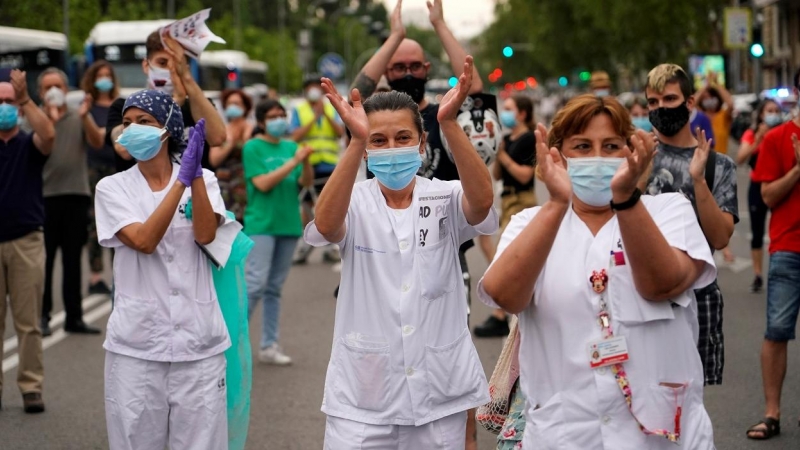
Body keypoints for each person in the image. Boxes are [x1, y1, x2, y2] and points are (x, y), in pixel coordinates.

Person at [480, 94, 717, 449]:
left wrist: (625, 197)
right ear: (558, 155)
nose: (598, 157)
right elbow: (505, 295)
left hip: (661, 435)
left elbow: (662, 284)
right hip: (565, 434)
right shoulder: (529, 223)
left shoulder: (669, 211)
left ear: (630, 151)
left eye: (610, 146)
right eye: (582, 146)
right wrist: (558, 202)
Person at [306, 55, 496, 449]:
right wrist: (356, 139)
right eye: (378, 140)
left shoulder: (445, 196)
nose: (391, 148)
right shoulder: (353, 202)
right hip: (363, 398)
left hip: (437, 395)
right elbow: (325, 225)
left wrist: (448, 124)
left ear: (421, 143)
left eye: (403, 138)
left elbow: (481, 204)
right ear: (365, 149)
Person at [351, 3, 487, 446]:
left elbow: (477, 93)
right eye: (397, 66)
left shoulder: (447, 113)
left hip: (442, 256)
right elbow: (356, 90)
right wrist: (393, 37)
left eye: (414, 65)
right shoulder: (372, 113)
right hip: (374, 255)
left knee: (448, 370)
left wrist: (439, 26)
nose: (407, 71)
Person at [94, 90, 230, 449]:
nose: (131, 130)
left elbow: (205, 233)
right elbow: (143, 240)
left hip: (198, 345)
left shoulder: (205, 181)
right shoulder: (112, 188)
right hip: (138, 348)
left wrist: (195, 175)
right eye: (126, 123)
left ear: (168, 129)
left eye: (144, 122)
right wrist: (181, 183)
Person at [644, 63, 738, 386]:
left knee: (692, 400)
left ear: (690, 103)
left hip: (698, 298)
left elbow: (721, 237)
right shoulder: (636, 157)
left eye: (669, 99)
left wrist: (699, 181)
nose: (661, 108)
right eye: (653, 103)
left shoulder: (717, 164)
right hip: (641, 296)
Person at [746, 69, 800, 441]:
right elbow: (767, 196)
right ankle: (772, 413)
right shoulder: (779, 137)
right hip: (788, 248)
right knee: (777, 331)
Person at [0, 69, 55, 413]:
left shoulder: (28, 145)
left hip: (26, 240)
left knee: (28, 321)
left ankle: (31, 386)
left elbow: (48, 134)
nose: (4, 106)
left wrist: (24, 98)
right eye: (0, 101)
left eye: (9, 101)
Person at [36, 67, 105, 337]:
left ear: (66, 90)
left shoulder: (79, 117)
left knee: (73, 260)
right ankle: (43, 316)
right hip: (44, 198)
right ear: (40, 93)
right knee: (45, 260)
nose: (53, 91)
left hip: (76, 195)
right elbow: (43, 144)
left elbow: (98, 142)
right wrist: (50, 119)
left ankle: (74, 317)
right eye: (47, 87)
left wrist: (85, 117)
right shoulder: (35, 120)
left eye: (58, 86)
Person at [244, 99, 313, 366]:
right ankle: (230, 342)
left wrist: (304, 162)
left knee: (274, 288)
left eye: (282, 115)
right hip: (261, 224)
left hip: (288, 224)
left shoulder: (290, 146)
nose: (279, 120)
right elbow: (262, 183)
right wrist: (293, 161)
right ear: (261, 122)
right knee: (255, 285)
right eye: (273, 116)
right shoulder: (253, 148)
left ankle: (269, 345)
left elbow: (305, 183)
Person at [105, 31, 226, 173]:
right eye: (162, 63)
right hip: (141, 192)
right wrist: (175, 104)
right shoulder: (124, 108)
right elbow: (123, 149)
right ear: (146, 65)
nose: (170, 70)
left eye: (176, 64)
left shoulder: (197, 106)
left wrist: (186, 78)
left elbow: (217, 138)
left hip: (192, 191)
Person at [474, 94, 536, 338]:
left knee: (504, 252)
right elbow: (498, 175)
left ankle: (500, 314)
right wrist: (496, 150)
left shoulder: (529, 139)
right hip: (507, 199)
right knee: (485, 240)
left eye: (510, 109)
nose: (505, 113)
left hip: (522, 200)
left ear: (522, 113)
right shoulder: (507, 139)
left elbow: (524, 175)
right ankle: (509, 291)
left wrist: (503, 156)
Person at [290, 74, 345, 265]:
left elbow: (339, 133)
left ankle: (330, 245)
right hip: (307, 165)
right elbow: (295, 136)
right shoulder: (299, 110)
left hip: (328, 164)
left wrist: (326, 116)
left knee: (330, 205)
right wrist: (314, 118)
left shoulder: (331, 108)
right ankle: (306, 243)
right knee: (306, 205)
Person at [735, 99, 783, 293]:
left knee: (780, 231)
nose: (773, 114)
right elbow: (740, 158)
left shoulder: (783, 132)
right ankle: (757, 274)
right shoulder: (752, 133)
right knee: (757, 231)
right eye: (769, 110)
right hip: (757, 184)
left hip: (779, 186)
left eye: (776, 111)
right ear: (761, 114)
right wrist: (759, 139)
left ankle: (780, 272)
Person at [81, 60, 120, 296]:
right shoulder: (88, 107)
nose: (104, 79)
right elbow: (91, 139)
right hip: (94, 169)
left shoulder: (118, 105)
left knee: (118, 222)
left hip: (117, 167)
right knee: (95, 223)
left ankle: (120, 273)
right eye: (100, 75)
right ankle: (96, 276)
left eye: (108, 75)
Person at [210, 89, 255, 223]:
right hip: (226, 186)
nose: (233, 107)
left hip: (248, 184)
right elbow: (214, 159)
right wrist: (231, 142)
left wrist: (246, 135)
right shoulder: (221, 130)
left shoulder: (253, 129)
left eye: (237, 103)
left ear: (246, 107)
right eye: (230, 103)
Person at [696, 77, 734, 155]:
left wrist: (717, 84)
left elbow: (730, 103)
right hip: (704, 160)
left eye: (710, 96)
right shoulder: (701, 116)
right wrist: (705, 87)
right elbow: (692, 104)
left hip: (721, 159)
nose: (708, 99)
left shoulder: (723, 115)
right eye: (704, 98)